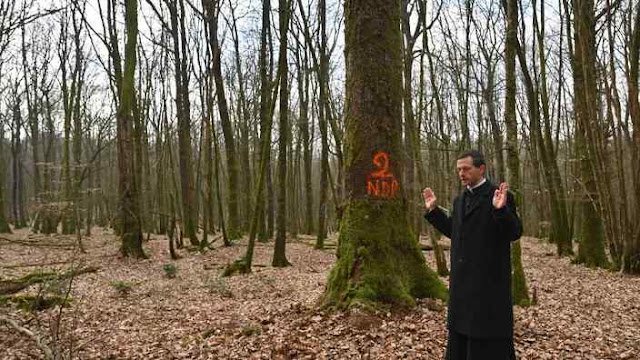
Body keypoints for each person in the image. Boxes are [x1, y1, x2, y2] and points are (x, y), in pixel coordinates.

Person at [422, 150, 523, 360]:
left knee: (486, 343)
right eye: (459, 169)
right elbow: (455, 232)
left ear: (481, 168)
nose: (461, 173)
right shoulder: (460, 200)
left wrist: (500, 210)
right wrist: (434, 212)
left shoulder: (499, 195)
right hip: (462, 286)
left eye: (466, 168)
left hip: (489, 287)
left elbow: (514, 232)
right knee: (460, 342)